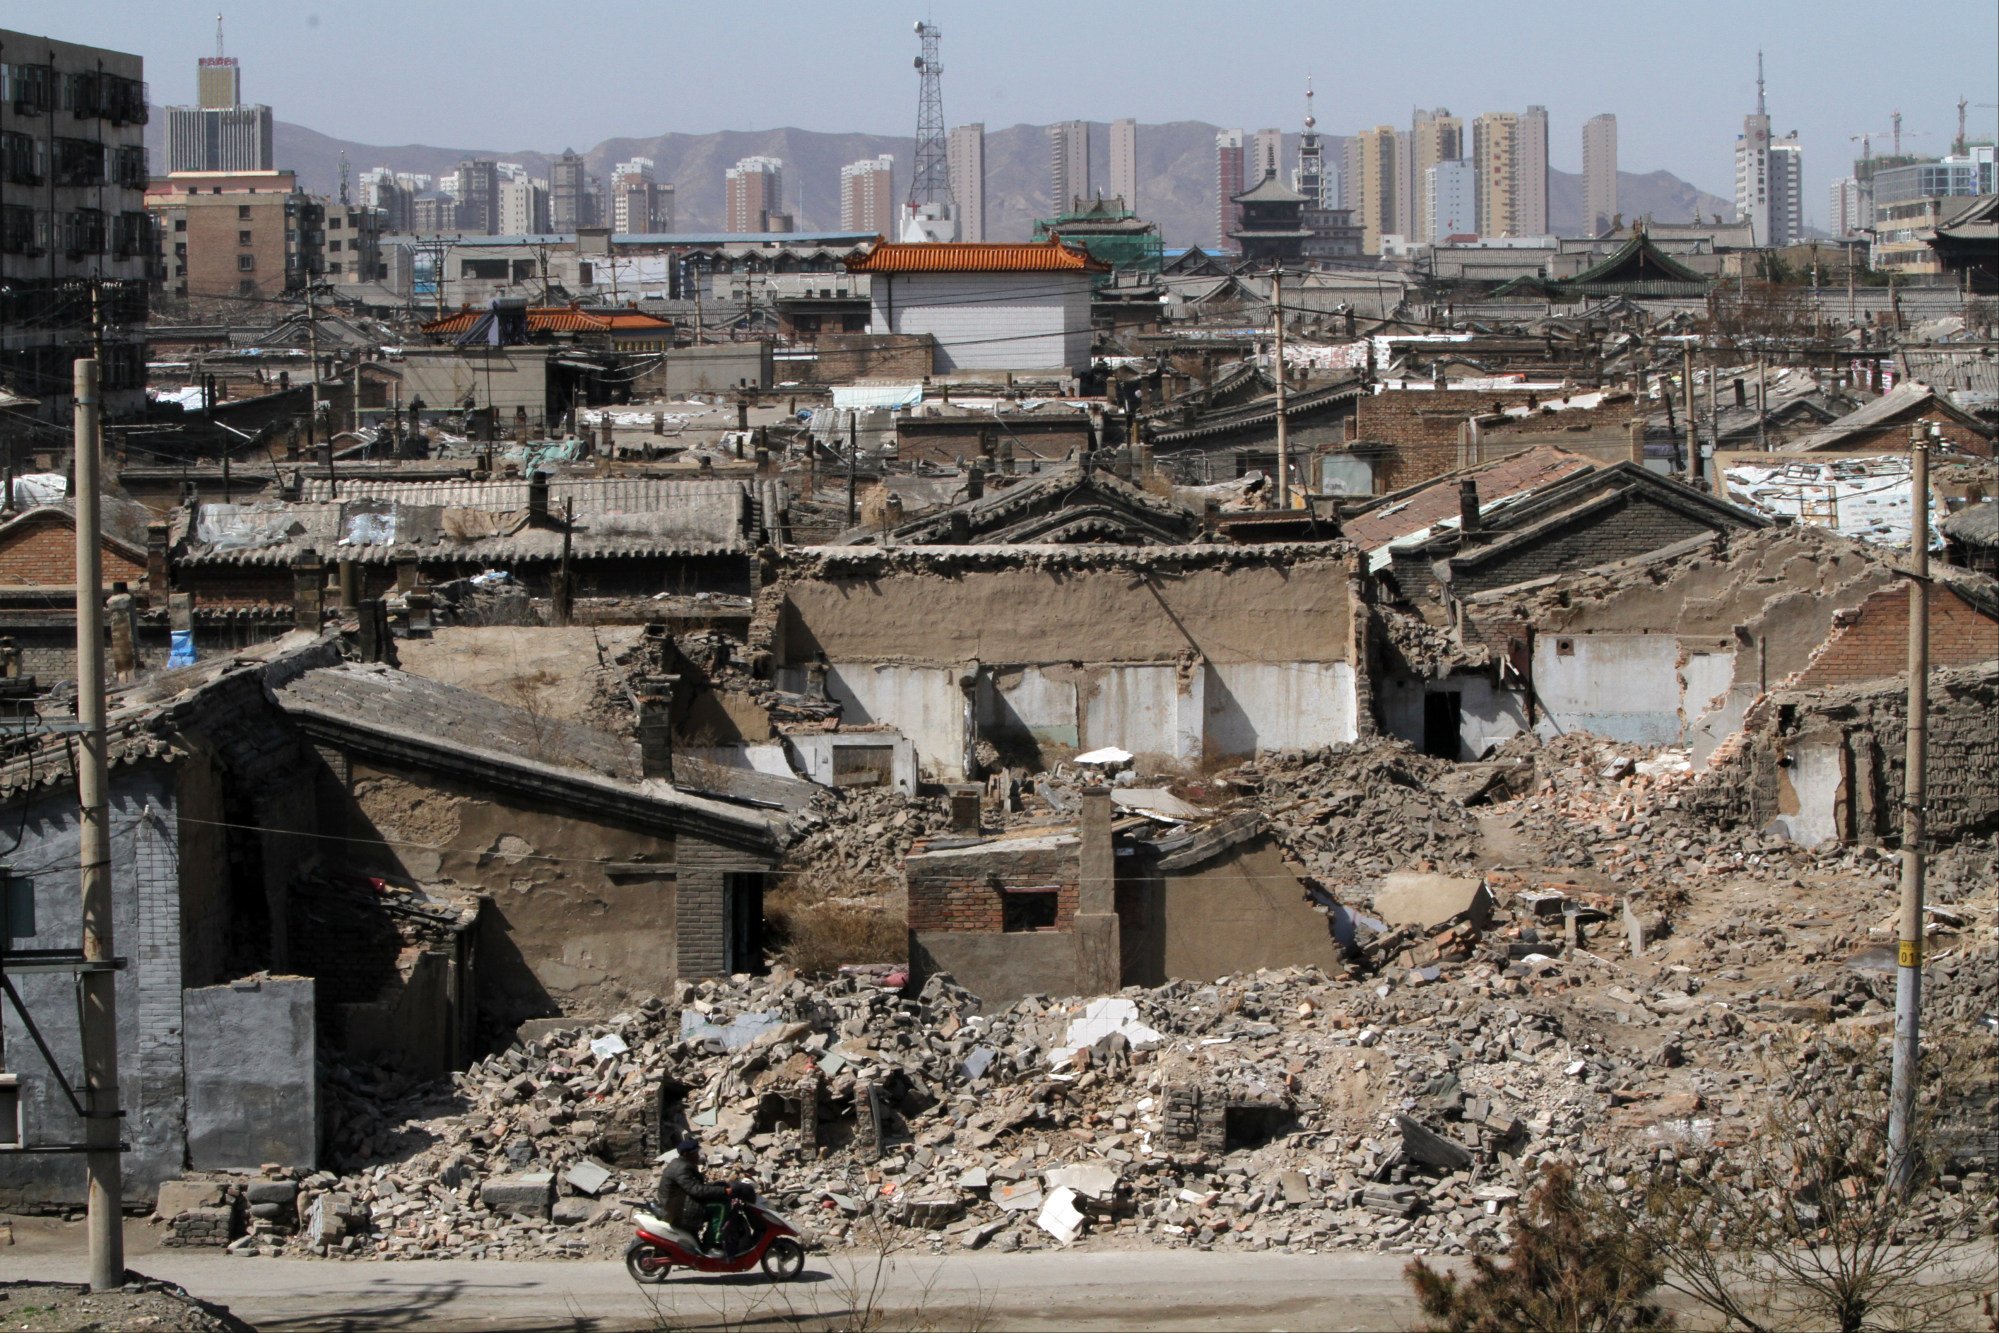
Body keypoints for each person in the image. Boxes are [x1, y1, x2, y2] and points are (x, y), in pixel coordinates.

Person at [655, 1136, 733, 1255]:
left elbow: (694, 1186)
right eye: (695, 1153)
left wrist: (718, 1186)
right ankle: (711, 1244)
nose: (697, 1156)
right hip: (680, 1209)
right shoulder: (682, 1168)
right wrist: (723, 1191)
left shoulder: (681, 1164)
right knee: (722, 1206)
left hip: (680, 1202)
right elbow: (696, 1190)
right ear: (686, 1154)